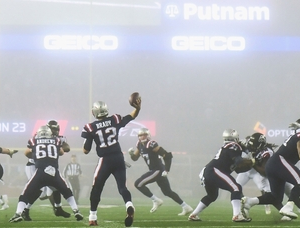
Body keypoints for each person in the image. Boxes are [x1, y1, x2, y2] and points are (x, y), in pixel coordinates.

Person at [241, 119, 300, 221]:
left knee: (276, 198)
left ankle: (249, 202)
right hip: (280, 162)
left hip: (273, 165)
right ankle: (288, 207)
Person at [81, 97, 141, 227]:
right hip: (119, 157)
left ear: (94, 113)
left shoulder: (90, 127)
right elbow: (131, 116)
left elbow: (86, 150)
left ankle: (92, 217)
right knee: (122, 187)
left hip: (105, 160)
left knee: (96, 189)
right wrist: (137, 108)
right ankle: (129, 205)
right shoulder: (115, 119)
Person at [10, 125, 83, 222]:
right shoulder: (56, 141)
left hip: (40, 172)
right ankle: (76, 211)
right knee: (66, 191)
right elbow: (61, 152)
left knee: (25, 193)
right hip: (54, 172)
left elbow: (26, 153)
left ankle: (18, 213)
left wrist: (35, 153)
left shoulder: (33, 141)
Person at [187, 129, 252, 222]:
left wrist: (250, 165)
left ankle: (194, 214)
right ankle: (237, 215)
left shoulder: (228, 147)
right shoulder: (234, 145)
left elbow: (238, 169)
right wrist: (252, 161)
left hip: (208, 172)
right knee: (236, 188)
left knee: (212, 196)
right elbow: (238, 161)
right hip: (214, 170)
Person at [128, 127, 192, 216]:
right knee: (167, 192)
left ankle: (156, 200)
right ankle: (186, 207)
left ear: (148, 135)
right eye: (140, 135)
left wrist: (167, 169)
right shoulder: (139, 144)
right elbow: (135, 158)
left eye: (144, 135)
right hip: (155, 170)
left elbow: (167, 155)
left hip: (157, 170)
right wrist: (131, 154)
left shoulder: (151, 144)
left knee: (138, 184)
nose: (142, 137)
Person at [236, 133, 277, 217]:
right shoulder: (243, 144)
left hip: (255, 171)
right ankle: (242, 205)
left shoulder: (261, 148)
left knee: (264, 189)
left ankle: (266, 204)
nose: (252, 147)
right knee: (236, 187)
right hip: (246, 171)